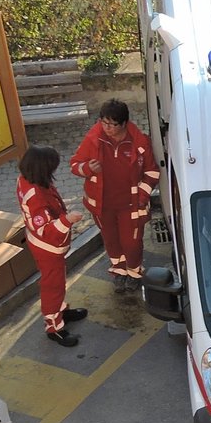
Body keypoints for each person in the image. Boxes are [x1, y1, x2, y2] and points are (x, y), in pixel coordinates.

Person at [70, 99, 160, 294]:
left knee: (132, 243)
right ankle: (119, 271)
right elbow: (75, 164)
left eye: (113, 124)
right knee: (111, 241)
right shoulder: (94, 139)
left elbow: (152, 173)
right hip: (103, 206)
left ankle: (134, 273)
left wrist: (142, 197)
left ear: (124, 123)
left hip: (131, 205)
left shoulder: (140, 142)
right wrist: (87, 169)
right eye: (104, 122)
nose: (107, 128)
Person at [17, 144, 88, 347]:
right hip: (48, 248)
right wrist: (68, 220)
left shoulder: (26, 181)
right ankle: (54, 327)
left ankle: (61, 311)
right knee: (53, 287)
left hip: (46, 246)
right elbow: (47, 230)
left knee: (56, 285)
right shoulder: (36, 197)